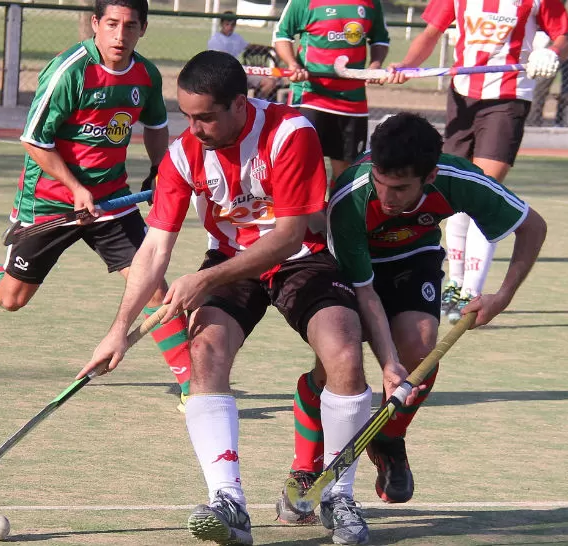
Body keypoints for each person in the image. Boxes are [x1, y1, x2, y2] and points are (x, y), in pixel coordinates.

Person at [83, 50, 411, 546]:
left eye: (206, 117)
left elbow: (286, 235)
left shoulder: (291, 133)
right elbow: (155, 247)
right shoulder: (181, 153)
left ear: (240, 103)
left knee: (344, 351)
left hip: (301, 255)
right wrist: (117, 331)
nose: (194, 128)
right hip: (230, 256)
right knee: (204, 351)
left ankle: (338, 495)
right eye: (188, 116)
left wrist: (204, 282)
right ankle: (228, 502)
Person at [277, 112, 546, 522]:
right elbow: (364, 289)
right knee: (337, 363)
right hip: (351, 264)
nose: (388, 198)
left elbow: (533, 226)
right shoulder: (350, 197)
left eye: (401, 188)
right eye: (382, 184)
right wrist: (387, 364)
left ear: (431, 175)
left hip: (413, 256)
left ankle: (388, 439)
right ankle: (305, 465)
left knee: (421, 350)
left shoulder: (459, 179)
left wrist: (503, 296)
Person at [0, 0, 193, 412]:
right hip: (49, 204)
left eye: (130, 26)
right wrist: (75, 187)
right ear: (95, 24)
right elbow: (34, 141)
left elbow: (157, 127)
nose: (120, 35)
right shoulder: (68, 71)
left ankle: (191, 387)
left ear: (143, 29)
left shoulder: (144, 75)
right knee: (12, 298)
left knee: (153, 285)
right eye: (111, 24)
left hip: (112, 202)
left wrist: (160, 170)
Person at [384, 0, 568, 326]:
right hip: (462, 94)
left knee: (483, 190)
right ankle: (455, 285)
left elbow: (565, 39)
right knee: (455, 191)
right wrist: (407, 65)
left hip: (507, 97)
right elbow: (431, 32)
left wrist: (553, 52)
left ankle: (471, 293)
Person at [273, 0, 391, 181]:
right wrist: (292, 64)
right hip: (310, 96)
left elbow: (380, 39)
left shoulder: (371, 2)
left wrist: (375, 65)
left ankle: (335, 209)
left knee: (347, 176)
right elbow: (282, 35)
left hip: (352, 101)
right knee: (303, 168)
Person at [207, 11, 279, 101]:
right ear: (222, 24)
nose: (230, 27)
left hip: (240, 72)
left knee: (270, 82)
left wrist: (269, 48)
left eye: (233, 25)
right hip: (224, 75)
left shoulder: (236, 37)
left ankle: (257, 104)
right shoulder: (215, 40)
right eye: (227, 24)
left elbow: (249, 46)